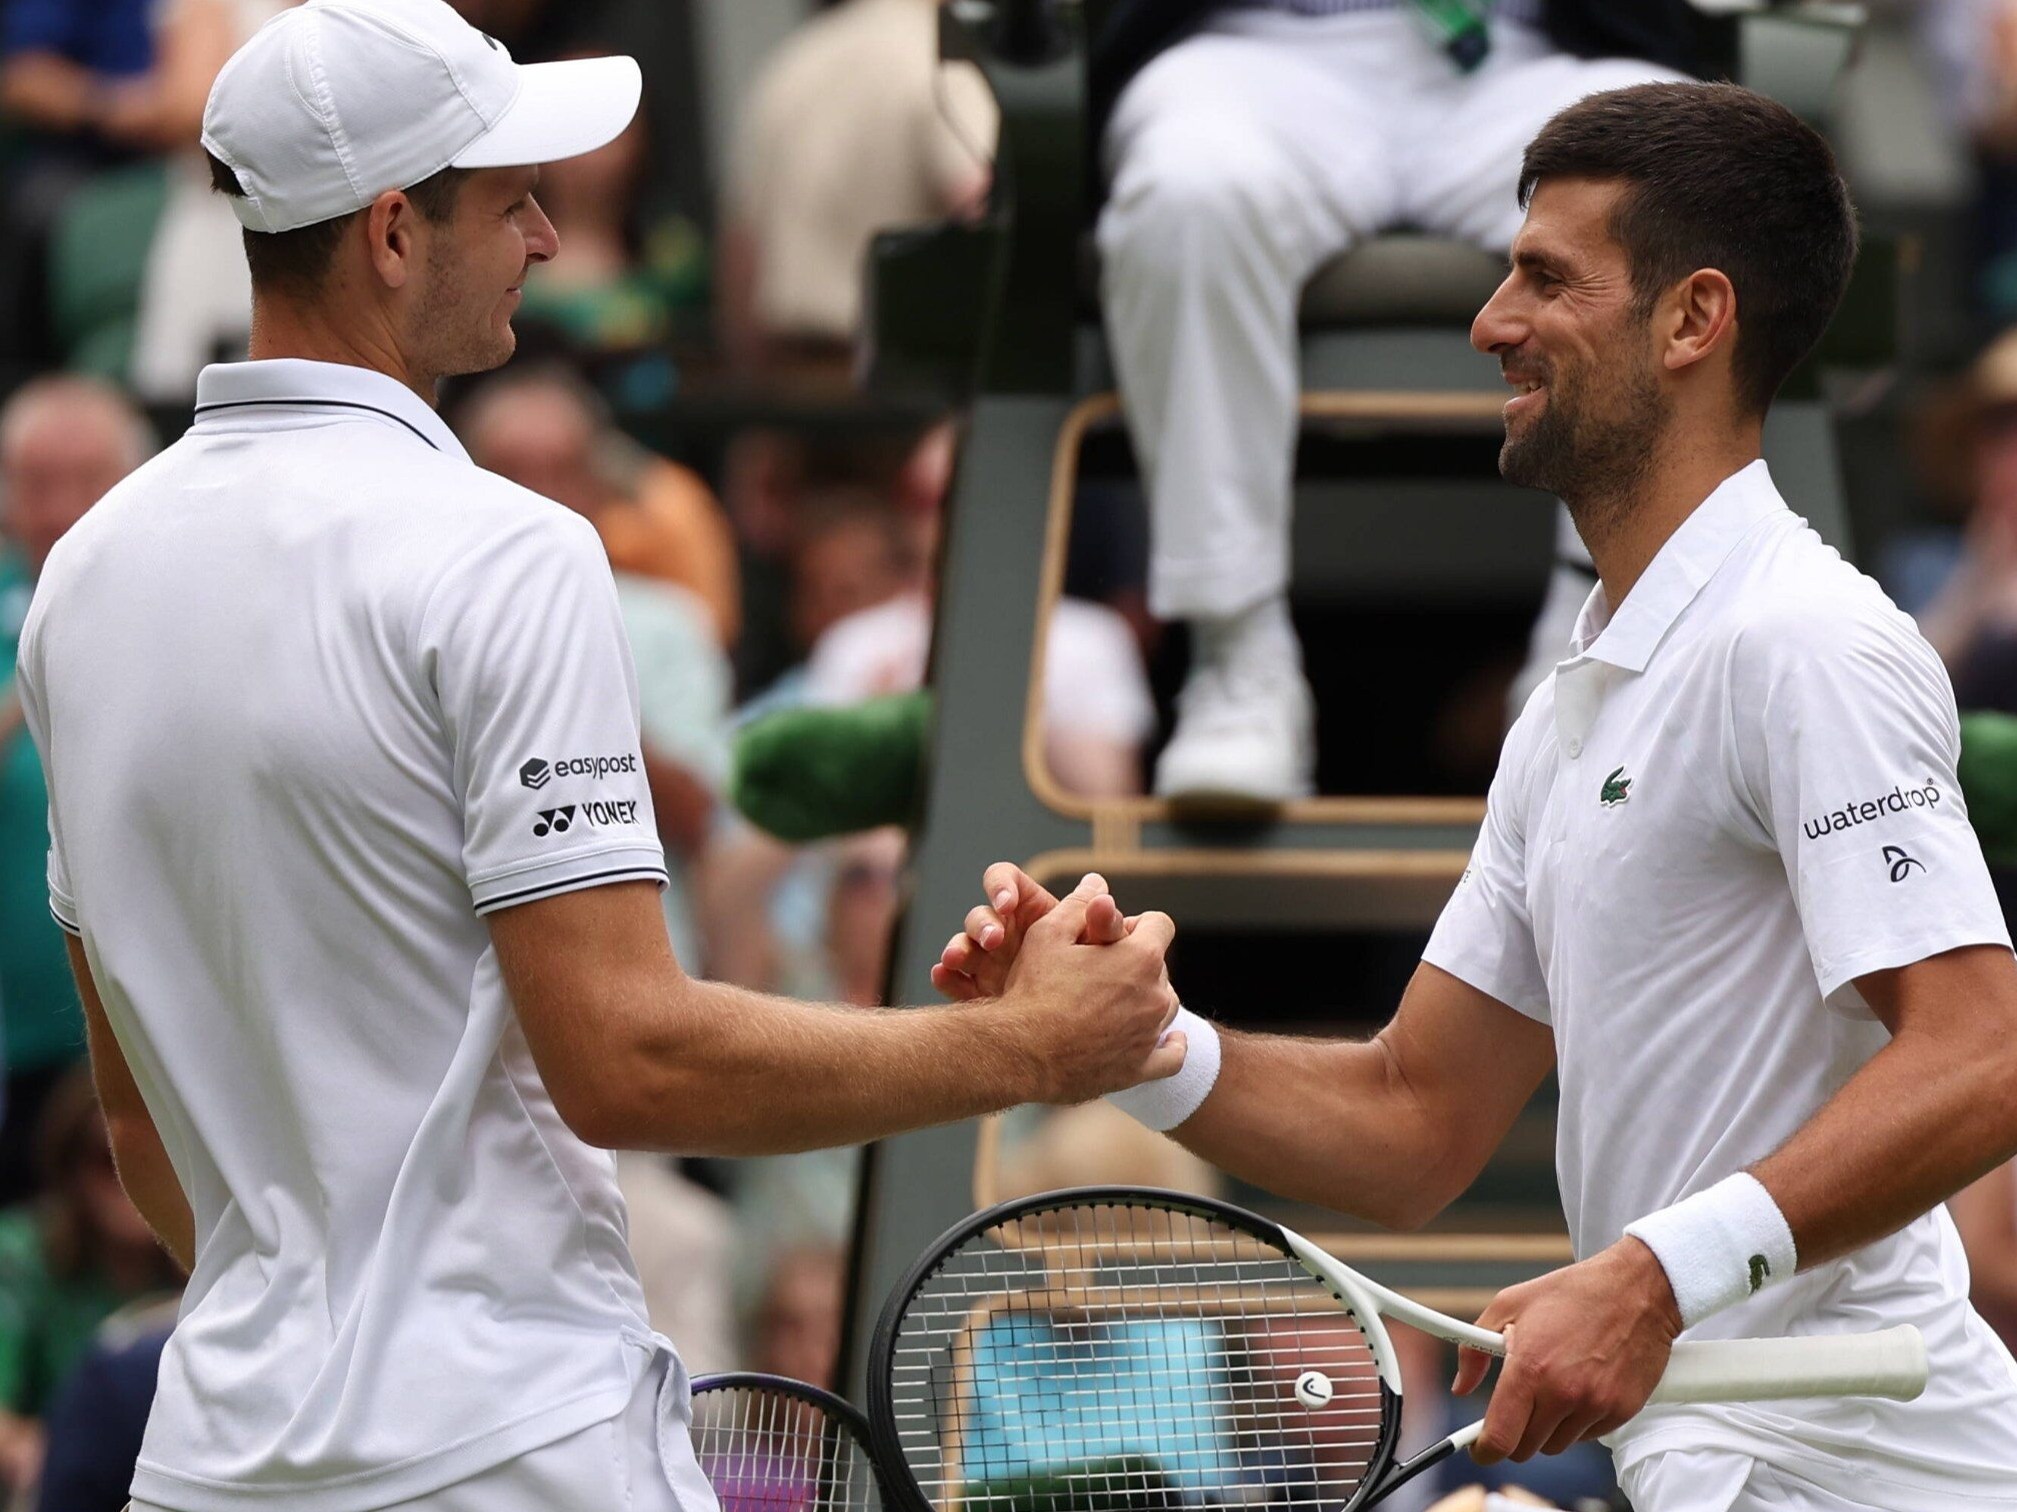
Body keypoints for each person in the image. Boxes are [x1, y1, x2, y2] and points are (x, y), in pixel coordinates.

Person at [15, 4, 1184, 1510]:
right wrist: (1029, 1048)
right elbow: (627, 1057)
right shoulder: (505, 552)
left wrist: (322, 1351)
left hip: (216, 1462)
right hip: (506, 1453)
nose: (552, 236)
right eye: (510, 199)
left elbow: (135, 1118)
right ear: (388, 233)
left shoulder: (81, 578)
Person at [940, 83, 2017, 1510]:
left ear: (1695, 321)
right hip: (1726, 1465)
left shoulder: (1802, 642)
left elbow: (1981, 1056)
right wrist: (1134, 1044)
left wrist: (1646, 1280)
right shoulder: (1577, 706)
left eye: (1546, 278)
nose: (1488, 321)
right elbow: (1412, 1121)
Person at [1091, 0, 1701, 803]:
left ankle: (1593, 649)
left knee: (1670, 179)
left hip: (1532, 54)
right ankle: (1235, 660)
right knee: (1190, 187)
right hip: (1261, 54)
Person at [0, 377, 152, 1204]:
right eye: (34, 481)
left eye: (82, 479)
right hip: (16, 1043)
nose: (58, 507)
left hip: (154, 1019)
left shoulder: (178, 604)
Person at [0, 1067, 181, 1501]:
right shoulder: (21, 1257)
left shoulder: (208, 1263)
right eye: (107, 1161)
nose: (128, 1183)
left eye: (158, 1160)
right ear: (69, 1166)